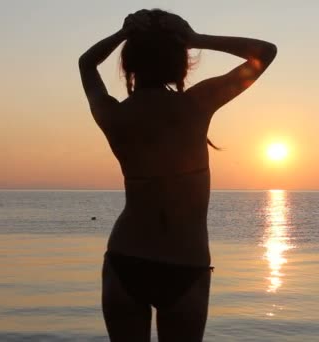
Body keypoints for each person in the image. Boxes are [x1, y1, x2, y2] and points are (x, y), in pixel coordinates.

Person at [79, 9, 277, 341]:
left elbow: (86, 64)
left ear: (129, 65)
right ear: (181, 63)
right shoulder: (197, 104)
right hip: (185, 262)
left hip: (126, 257)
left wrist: (121, 34)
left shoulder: (113, 113)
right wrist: (196, 39)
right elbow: (264, 53)